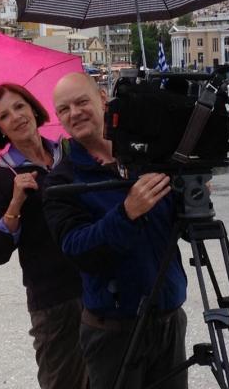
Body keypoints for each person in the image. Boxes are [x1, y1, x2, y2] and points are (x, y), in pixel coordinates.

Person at [43, 73, 188, 389]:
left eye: (81, 102)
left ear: (102, 99)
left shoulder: (147, 156)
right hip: (113, 331)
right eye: (64, 109)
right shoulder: (61, 181)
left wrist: (190, 196)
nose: (75, 113)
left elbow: (180, 226)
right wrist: (127, 213)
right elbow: (78, 250)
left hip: (169, 320)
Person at [0, 83, 89, 389]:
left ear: (33, 109)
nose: (16, 117)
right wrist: (15, 204)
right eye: (4, 116)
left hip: (98, 285)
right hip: (54, 301)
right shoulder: (1, 177)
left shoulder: (71, 153)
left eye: (19, 106)